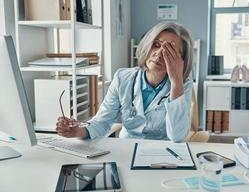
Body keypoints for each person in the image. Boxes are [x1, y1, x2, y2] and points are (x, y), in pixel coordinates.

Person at [56, 21, 194, 142]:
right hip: (126, 150)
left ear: (181, 60)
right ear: (147, 45)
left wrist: (176, 82)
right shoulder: (122, 78)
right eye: (156, 45)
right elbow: (101, 122)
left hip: (162, 155)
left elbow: (178, 137)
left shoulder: (183, 86)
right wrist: (77, 131)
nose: (158, 54)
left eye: (169, 51)